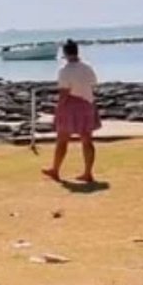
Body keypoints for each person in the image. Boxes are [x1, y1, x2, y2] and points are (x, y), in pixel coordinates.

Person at [43, 38, 100, 184]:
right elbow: (93, 83)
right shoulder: (87, 67)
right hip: (87, 103)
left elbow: (64, 92)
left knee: (62, 139)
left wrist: (58, 108)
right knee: (87, 140)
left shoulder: (65, 71)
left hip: (71, 105)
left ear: (65, 53)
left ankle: (55, 170)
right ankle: (88, 173)